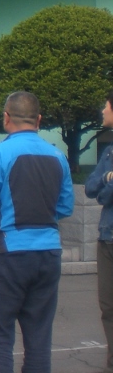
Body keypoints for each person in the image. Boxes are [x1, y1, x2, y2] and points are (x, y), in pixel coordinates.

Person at [0, 91, 73, 373]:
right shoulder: (57, 155)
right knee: (39, 338)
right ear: (39, 120)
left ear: (7, 118)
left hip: (9, 253)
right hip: (48, 252)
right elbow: (65, 206)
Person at [85, 92, 113, 373]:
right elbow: (92, 188)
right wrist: (107, 177)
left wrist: (107, 188)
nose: (102, 111)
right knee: (108, 305)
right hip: (106, 236)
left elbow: (105, 196)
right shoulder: (109, 152)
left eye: (105, 106)